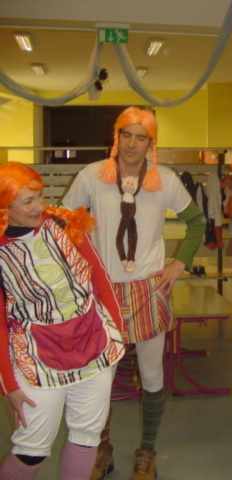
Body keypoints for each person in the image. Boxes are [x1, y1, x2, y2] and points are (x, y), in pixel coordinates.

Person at [63, 106, 206, 480]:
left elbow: (197, 221)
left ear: (150, 143)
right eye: (126, 134)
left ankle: (147, 453)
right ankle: (102, 450)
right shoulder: (91, 176)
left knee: (152, 376)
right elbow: (64, 224)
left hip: (148, 289)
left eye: (140, 137)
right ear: (116, 137)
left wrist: (180, 263)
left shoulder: (165, 179)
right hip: (102, 291)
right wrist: (80, 269)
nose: (131, 144)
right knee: (100, 380)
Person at [0, 162, 125, 480]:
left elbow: (99, 278)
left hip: (94, 346)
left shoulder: (64, 224)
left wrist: (116, 333)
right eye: (27, 201)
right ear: (5, 208)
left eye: (40, 196)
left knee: (86, 437)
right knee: (30, 449)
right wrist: (10, 384)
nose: (38, 207)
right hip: (36, 357)